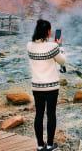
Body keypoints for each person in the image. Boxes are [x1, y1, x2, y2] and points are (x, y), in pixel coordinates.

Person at [27, 19, 66, 151]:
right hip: (51, 87)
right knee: (51, 114)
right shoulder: (53, 47)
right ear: (48, 31)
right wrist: (60, 47)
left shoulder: (29, 46)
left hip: (37, 86)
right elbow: (62, 61)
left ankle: (39, 145)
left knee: (39, 115)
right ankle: (49, 145)